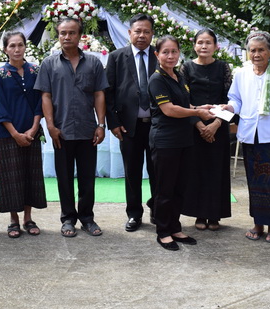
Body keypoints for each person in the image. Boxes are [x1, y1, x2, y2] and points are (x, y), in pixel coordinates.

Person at [222, 30, 270, 244]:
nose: (256, 54)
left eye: (261, 50)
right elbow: (236, 99)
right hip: (249, 135)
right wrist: (229, 107)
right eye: (252, 50)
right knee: (254, 180)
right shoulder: (241, 73)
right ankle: (258, 223)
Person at [34, 17, 109, 238]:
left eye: (72, 33)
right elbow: (45, 96)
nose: (67, 37)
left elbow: (99, 94)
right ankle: (68, 218)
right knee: (64, 178)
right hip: (62, 131)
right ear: (58, 35)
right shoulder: (49, 64)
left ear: (80, 35)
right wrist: (50, 125)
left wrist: (101, 124)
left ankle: (87, 218)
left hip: (87, 130)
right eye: (63, 33)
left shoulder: (94, 63)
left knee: (87, 178)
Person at [148, 35, 216, 251]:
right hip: (165, 141)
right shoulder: (156, 79)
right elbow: (169, 110)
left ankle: (175, 227)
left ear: (179, 53)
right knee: (164, 189)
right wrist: (197, 113)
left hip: (184, 140)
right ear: (157, 55)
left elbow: (185, 104)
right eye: (165, 52)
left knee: (179, 187)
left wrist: (201, 107)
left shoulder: (178, 76)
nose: (170, 56)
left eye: (174, 52)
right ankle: (163, 231)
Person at [105, 13, 157, 232]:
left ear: (152, 34)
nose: (142, 35)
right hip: (128, 126)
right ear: (129, 33)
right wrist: (113, 123)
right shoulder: (117, 57)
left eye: (146, 31)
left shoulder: (160, 54)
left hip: (157, 126)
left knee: (158, 171)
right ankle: (134, 214)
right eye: (138, 31)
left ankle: (158, 208)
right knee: (132, 172)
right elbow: (108, 93)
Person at [0, 31, 46, 238]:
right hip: (8, 134)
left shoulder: (35, 71)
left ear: (25, 46)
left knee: (30, 174)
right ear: (5, 49)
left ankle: (28, 218)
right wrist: (15, 133)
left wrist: (33, 128)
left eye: (20, 45)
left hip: (31, 132)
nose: (16, 49)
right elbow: (1, 107)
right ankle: (14, 219)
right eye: (12, 46)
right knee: (11, 177)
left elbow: (40, 102)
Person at [179, 29, 232, 231]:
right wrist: (200, 124)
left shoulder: (223, 67)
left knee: (217, 170)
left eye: (208, 42)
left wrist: (216, 124)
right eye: (200, 42)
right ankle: (199, 214)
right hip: (194, 127)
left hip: (219, 126)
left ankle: (215, 215)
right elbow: (183, 100)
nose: (204, 46)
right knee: (196, 171)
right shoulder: (186, 68)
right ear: (194, 46)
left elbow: (230, 99)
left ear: (216, 46)